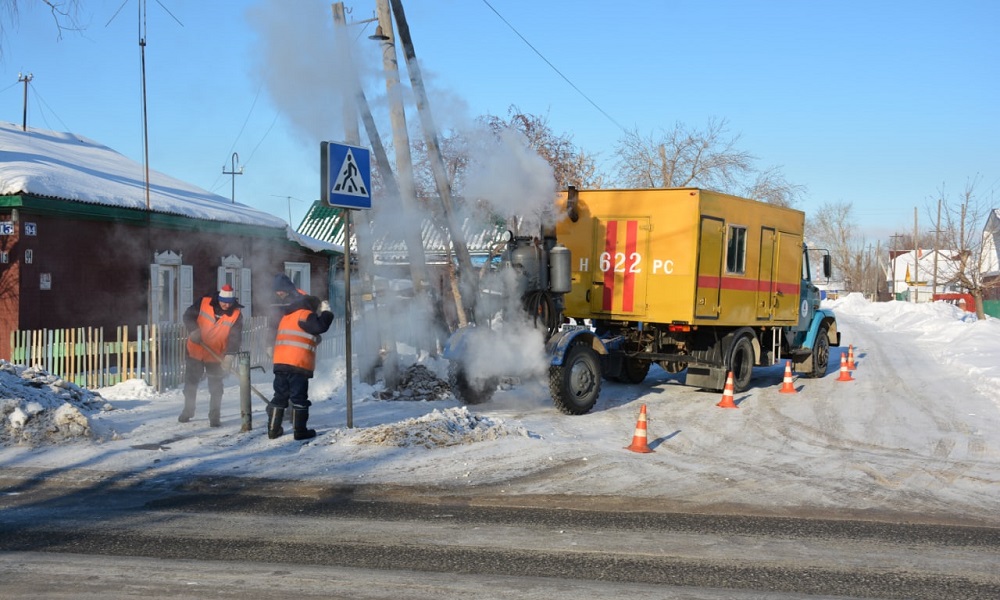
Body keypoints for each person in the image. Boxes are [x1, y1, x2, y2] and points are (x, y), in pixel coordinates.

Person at [267, 275, 333, 441]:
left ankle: (273, 430)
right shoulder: (304, 313)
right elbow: (320, 326)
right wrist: (326, 312)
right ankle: (300, 431)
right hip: (297, 363)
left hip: (281, 362)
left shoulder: (287, 316)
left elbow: (300, 335)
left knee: (279, 396)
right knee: (299, 398)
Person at [178, 284, 244, 427]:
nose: (226, 305)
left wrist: (230, 356)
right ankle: (188, 410)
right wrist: (194, 330)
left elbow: (235, 338)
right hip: (195, 350)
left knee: (216, 387)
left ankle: (214, 415)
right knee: (191, 383)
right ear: (218, 299)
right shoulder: (204, 303)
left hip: (216, 356)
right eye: (223, 302)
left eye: (229, 302)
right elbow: (188, 316)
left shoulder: (236, 315)